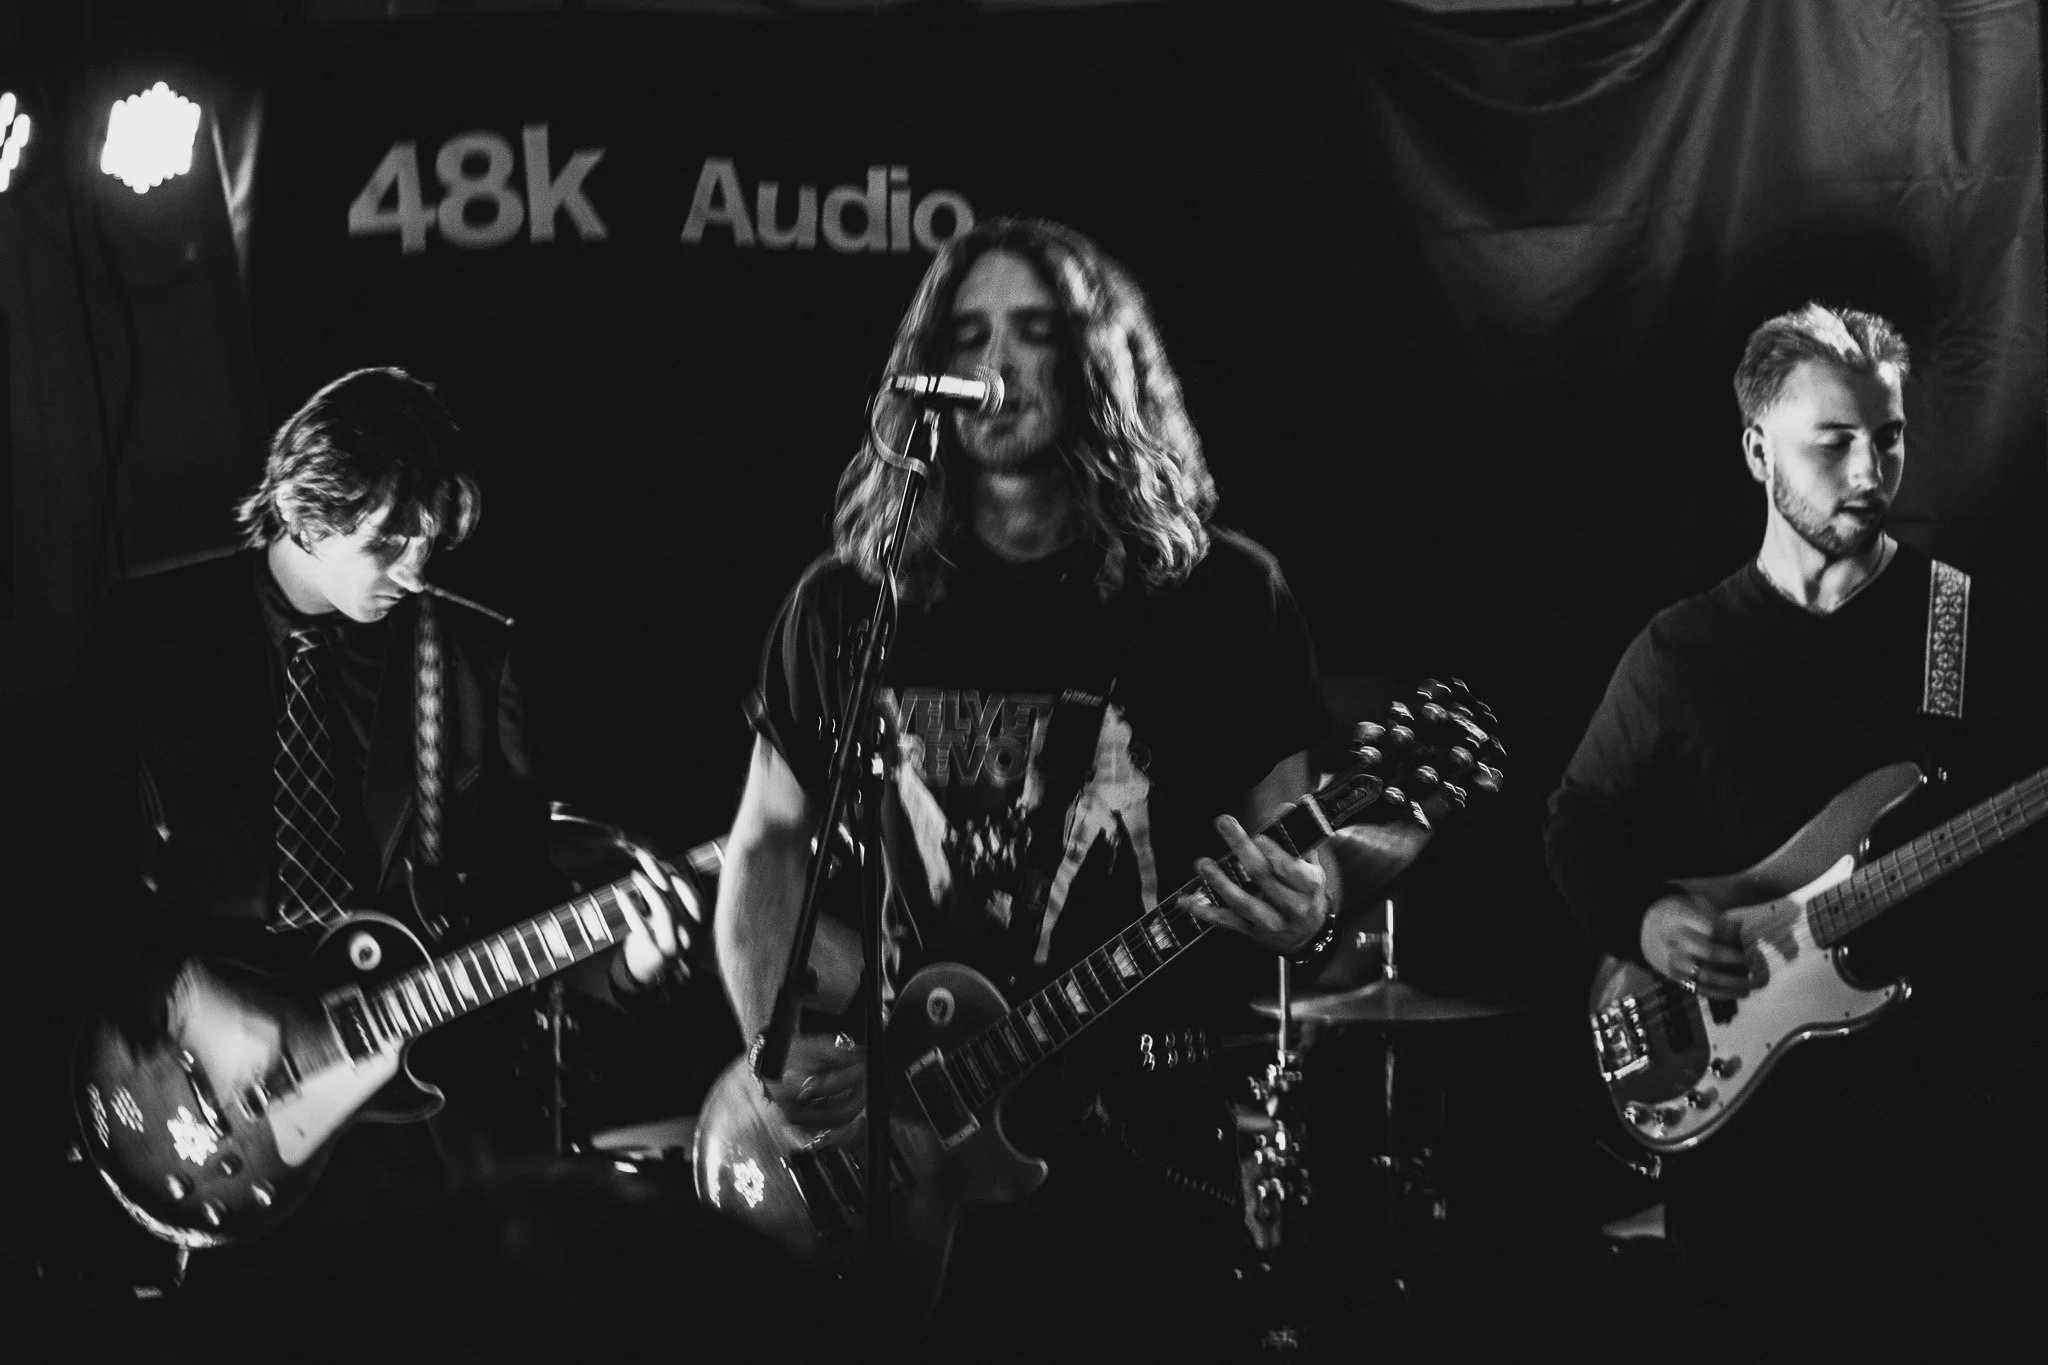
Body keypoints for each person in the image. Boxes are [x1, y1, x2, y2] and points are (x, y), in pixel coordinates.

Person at [713, 217, 1434, 1361]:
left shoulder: (1221, 601)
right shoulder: (848, 608)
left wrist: (1315, 903)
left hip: (1146, 1149)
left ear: (1095, 363)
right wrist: (772, 1049)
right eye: (970, 333)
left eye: (1036, 334)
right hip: (908, 1152)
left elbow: (1297, 845)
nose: (996, 366)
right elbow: (765, 848)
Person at [65, 368, 698, 1354]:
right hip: (219, 1119)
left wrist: (626, 966)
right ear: (304, 511)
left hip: (424, 1151)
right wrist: (188, 995)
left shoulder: (473, 660)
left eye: (430, 542)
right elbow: (62, 880)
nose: (413, 570)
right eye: (386, 541)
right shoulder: (150, 636)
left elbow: (520, 923)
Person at [1544, 304, 2047, 1357]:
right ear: (1754, 448)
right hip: (1747, 1157)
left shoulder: (1973, 629)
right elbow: (1577, 822)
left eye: (1890, 437)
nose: (1869, 470)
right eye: (1835, 440)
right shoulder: (1678, 652)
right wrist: (1641, 921)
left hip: (1945, 1136)